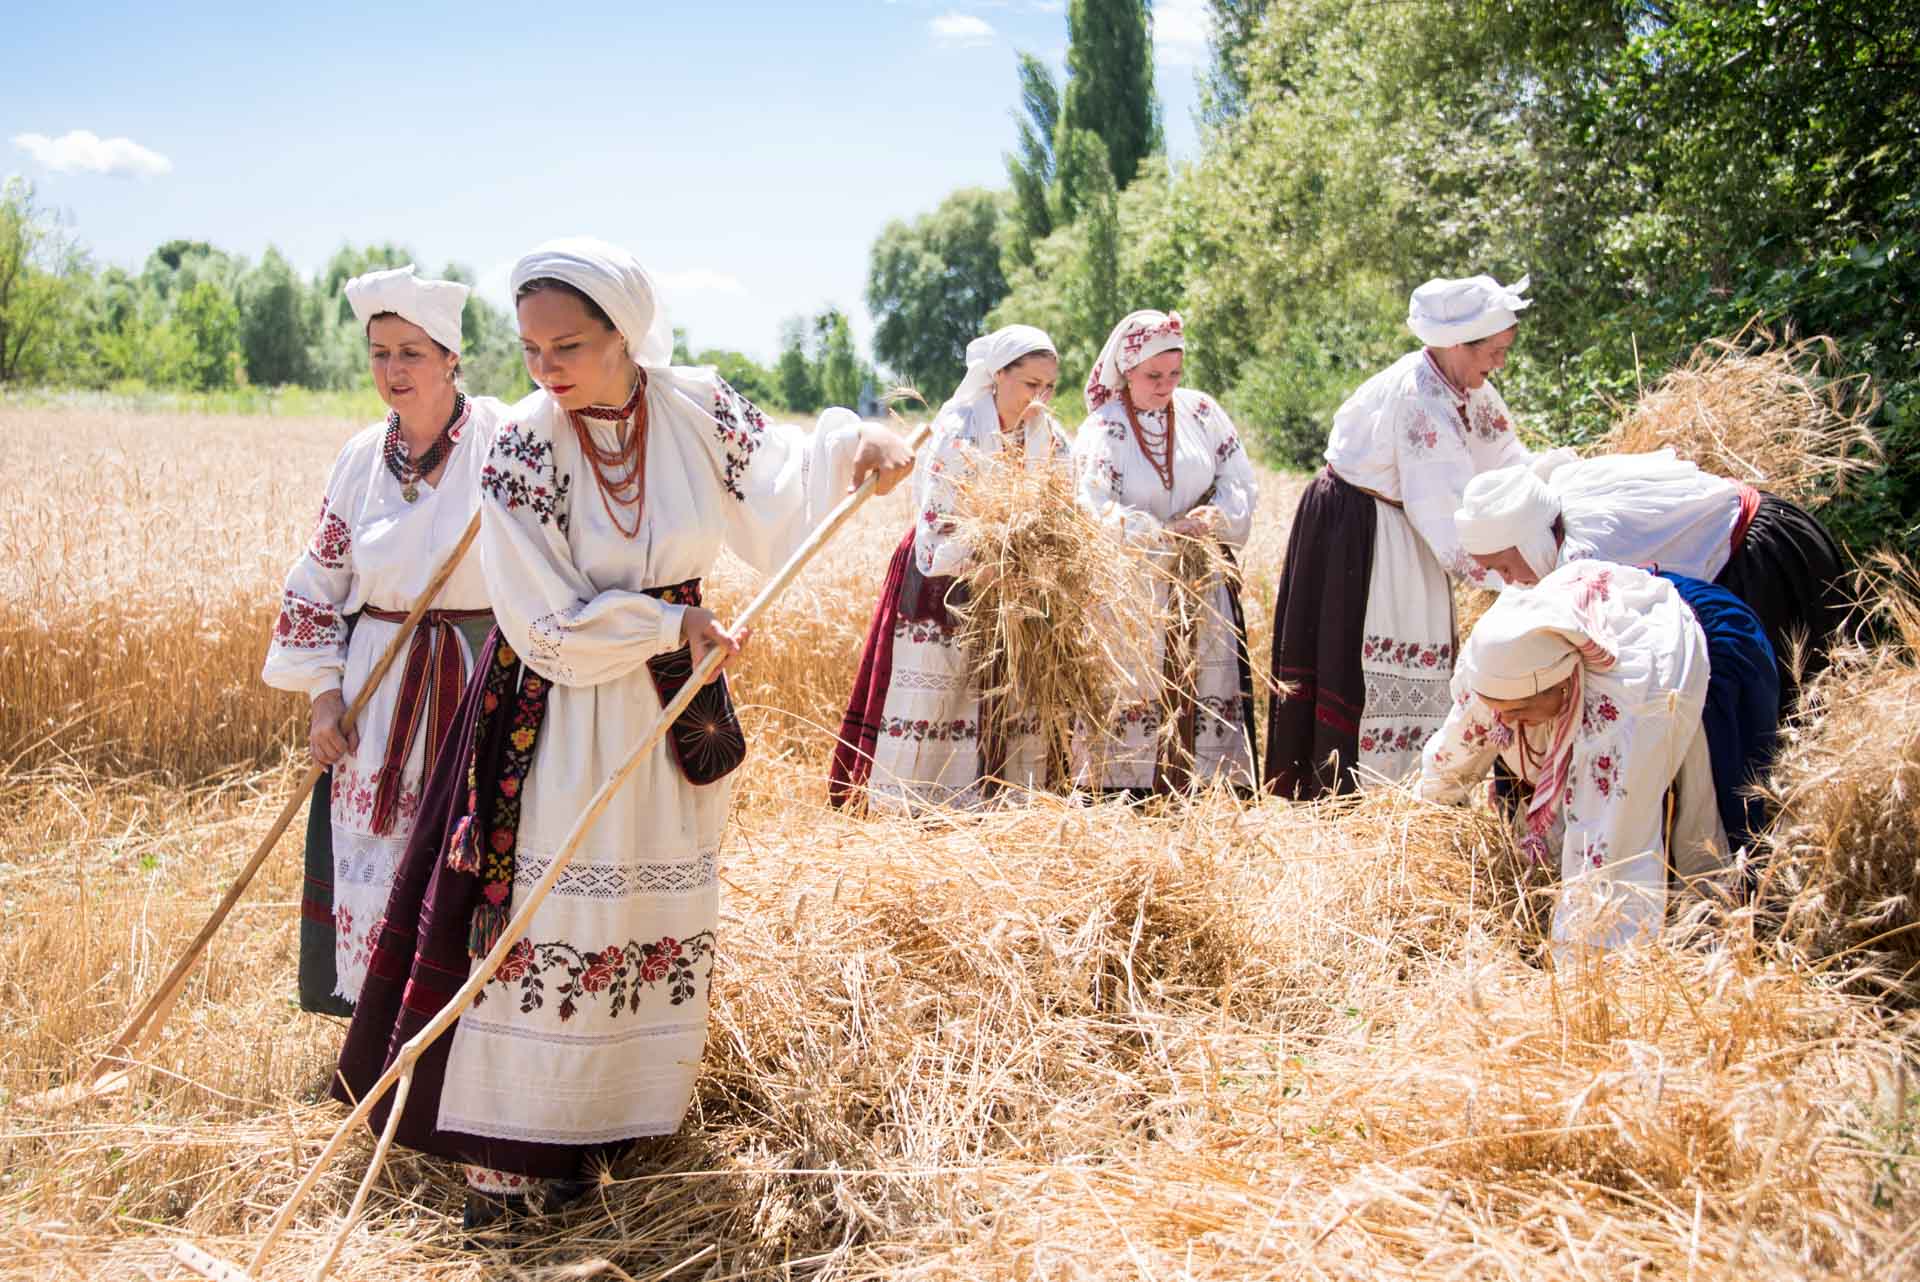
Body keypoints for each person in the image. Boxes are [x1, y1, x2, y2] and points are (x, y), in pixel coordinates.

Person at [334, 238, 913, 1222]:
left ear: (626, 336)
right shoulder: (522, 444)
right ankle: (514, 1164)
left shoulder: (695, 405)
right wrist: (662, 624)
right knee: (553, 912)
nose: (547, 369)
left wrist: (857, 448)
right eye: (529, 349)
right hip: (556, 704)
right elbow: (544, 613)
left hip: (668, 697)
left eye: (569, 346)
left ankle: (616, 1123)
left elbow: (775, 494)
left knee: (650, 909)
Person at [263, 265, 506, 1014]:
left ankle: (457, 1034)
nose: (392, 371)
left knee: (467, 846)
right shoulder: (362, 457)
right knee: (378, 845)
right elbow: (320, 580)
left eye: (411, 352)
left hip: (474, 678)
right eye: (379, 353)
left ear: (450, 358)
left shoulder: (504, 440)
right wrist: (324, 699)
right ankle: (372, 1021)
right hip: (380, 678)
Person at [1264, 273, 1535, 800]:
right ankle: (1354, 797)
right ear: (1459, 343)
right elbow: (1448, 515)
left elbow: (1508, 459)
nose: (1500, 362)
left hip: (1403, 528)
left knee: (1417, 655)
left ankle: (1407, 789)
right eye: (1495, 351)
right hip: (1360, 532)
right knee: (1361, 659)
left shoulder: (1468, 389)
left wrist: (1549, 495)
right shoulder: (1421, 398)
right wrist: (1518, 575)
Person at [1417, 560, 1779, 951]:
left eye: (1519, 711)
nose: (1505, 721)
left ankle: (1710, 933)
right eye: (1496, 708)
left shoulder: (1615, 716)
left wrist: (1584, 964)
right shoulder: (1497, 664)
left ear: (1564, 686)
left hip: (1704, 650)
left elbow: (1607, 853)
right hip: (1611, 621)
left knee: (1680, 814)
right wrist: (1422, 816)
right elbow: (1456, 749)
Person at [829, 324, 1071, 812]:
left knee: (1010, 694)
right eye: (1030, 384)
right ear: (998, 374)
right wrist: (980, 564)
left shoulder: (1049, 434)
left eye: (1049, 387)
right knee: (942, 691)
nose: (1040, 397)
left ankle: (999, 804)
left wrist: (1039, 561)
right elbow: (935, 515)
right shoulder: (959, 427)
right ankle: (916, 806)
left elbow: (1066, 501)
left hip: (1018, 583)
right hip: (944, 579)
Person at [1453, 449, 1848, 715]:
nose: (1509, 582)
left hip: (1763, 558)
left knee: (1799, 695)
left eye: (1505, 568)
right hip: (1765, 534)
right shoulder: (1554, 505)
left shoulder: (1585, 559)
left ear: (1529, 541)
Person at [1072, 309, 1260, 794]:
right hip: (1135, 585)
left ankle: (1205, 787)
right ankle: (1124, 791)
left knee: (1204, 679)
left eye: (1175, 374)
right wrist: (1161, 533)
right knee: (1137, 683)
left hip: (1200, 578)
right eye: (1154, 376)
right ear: (1126, 370)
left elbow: (1238, 477)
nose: (1166, 385)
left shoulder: (1200, 412)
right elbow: (1093, 505)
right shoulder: (1104, 429)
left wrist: (1214, 517)